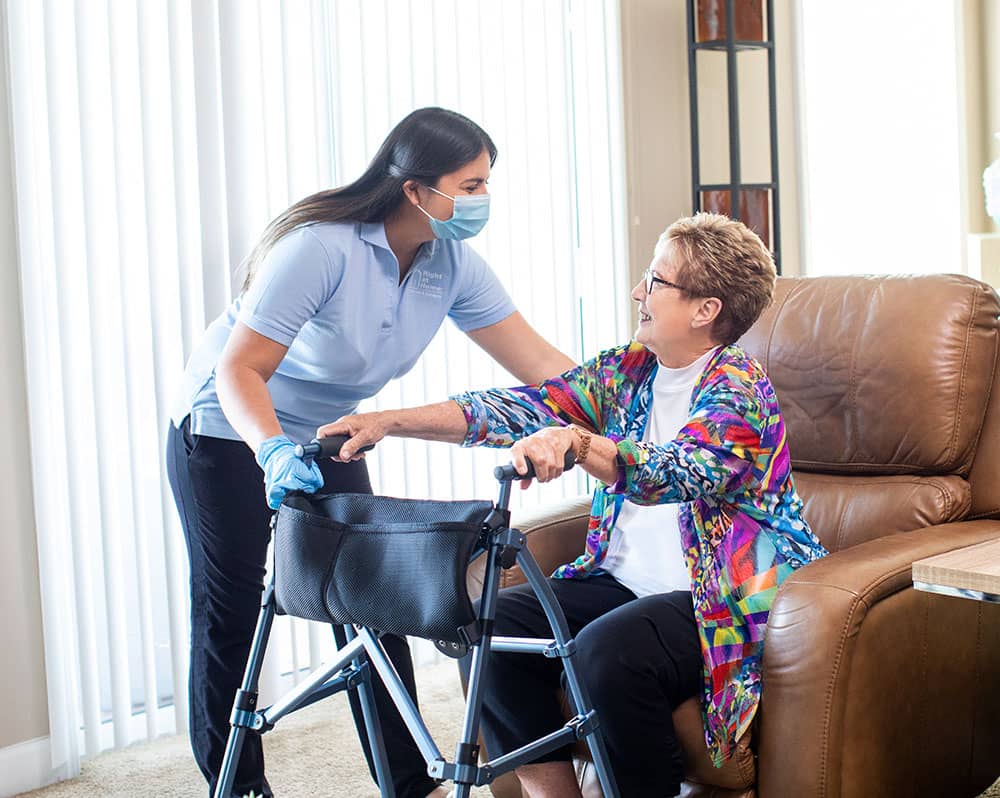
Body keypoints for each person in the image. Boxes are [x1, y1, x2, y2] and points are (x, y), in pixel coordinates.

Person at [319, 212, 829, 798]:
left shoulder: (740, 389)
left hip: (717, 595)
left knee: (605, 653)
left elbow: (673, 473)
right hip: (621, 580)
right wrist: (389, 421)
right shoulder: (628, 371)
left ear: (704, 310)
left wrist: (580, 443)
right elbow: (519, 408)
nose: (639, 290)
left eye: (657, 281)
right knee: (489, 624)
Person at [165, 106, 575, 798]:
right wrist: (269, 449)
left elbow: (544, 366)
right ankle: (235, 787)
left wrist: (621, 406)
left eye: (486, 184)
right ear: (416, 190)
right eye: (470, 186)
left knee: (372, 600)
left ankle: (409, 784)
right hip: (229, 428)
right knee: (231, 609)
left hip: (331, 431)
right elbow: (239, 370)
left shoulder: (452, 264)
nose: (483, 200)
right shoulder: (322, 248)